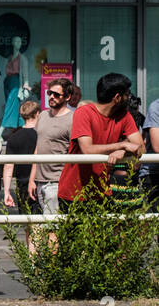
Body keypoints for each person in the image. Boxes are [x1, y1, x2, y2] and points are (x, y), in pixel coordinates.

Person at [56, 72, 142, 212]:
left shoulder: (124, 115)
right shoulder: (84, 112)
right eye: (127, 94)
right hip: (73, 193)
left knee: (102, 234)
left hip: (102, 192)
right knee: (72, 234)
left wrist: (123, 151)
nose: (129, 98)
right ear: (117, 98)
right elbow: (87, 149)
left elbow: (140, 147)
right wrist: (122, 145)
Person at [31, 77, 74, 216]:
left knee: (52, 227)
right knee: (40, 227)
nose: (51, 97)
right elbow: (37, 148)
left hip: (58, 180)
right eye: (49, 93)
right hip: (39, 181)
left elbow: (75, 151)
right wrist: (32, 179)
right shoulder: (43, 115)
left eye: (56, 94)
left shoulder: (72, 119)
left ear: (67, 97)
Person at [2, 100, 42, 213]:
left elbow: (8, 166)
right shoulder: (42, 135)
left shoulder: (13, 138)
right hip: (40, 182)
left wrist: (6, 191)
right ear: (38, 114)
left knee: (27, 222)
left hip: (22, 185)